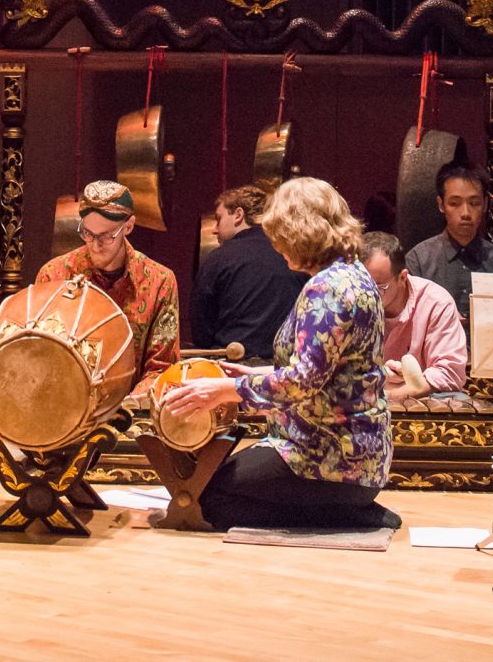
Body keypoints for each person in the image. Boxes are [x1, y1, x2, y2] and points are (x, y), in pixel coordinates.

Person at [155, 177, 395, 532]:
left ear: (301, 231)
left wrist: (222, 391)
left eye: (281, 234)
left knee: (208, 500)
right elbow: (326, 371)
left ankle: (351, 516)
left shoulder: (326, 288)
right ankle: (349, 509)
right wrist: (247, 377)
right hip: (358, 452)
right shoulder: (354, 274)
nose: (276, 245)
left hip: (328, 457)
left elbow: (301, 383)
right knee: (212, 485)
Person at [28, 181, 180, 385]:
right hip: (63, 406)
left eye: (106, 236)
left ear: (129, 226)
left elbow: (161, 368)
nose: (95, 245)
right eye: (88, 234)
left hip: (132, 410)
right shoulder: (54, 275)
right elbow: (37, 356)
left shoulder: (160, 281)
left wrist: (128, 406)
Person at [191, 184, 303, 358]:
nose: (214, 229)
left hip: (228, 367)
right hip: (280, 369)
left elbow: (201, 329)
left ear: (238, 215)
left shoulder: (217, 259)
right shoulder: (293, 255)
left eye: (218, 219)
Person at [403, 163, 493, 322]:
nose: (465, 213)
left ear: (485, 204)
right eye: (455, 203)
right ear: (441, 205)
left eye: (474, 203)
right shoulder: (418, 261)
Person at [361, 231, 468, 395]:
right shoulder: (349, 301)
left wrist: (394, 393)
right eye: (361, 287)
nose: (368, 296)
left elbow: (450, 372)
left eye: (379, 288)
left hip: (419, 402)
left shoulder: (436, 303)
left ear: (403, 277)